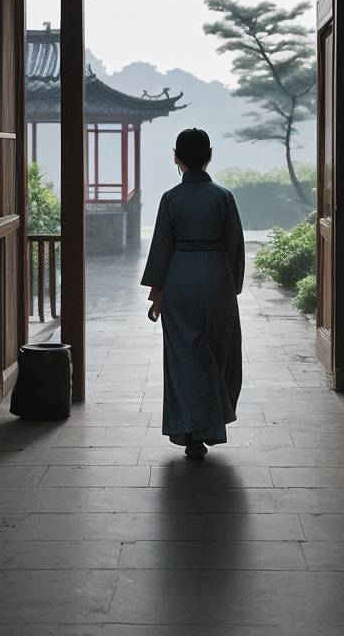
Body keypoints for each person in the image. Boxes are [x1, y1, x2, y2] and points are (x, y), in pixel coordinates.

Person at [141, 128, 245, 460]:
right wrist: (233, 287)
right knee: (218, 354)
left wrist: (158, 293)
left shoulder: (171, 199)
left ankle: (190, 434)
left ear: (176, 156)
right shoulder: (223, 197)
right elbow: (235, 248)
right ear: (209, 155)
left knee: (185, 360)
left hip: (180, 278)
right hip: (217, 279)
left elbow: (161, 248)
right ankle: (211, 424)